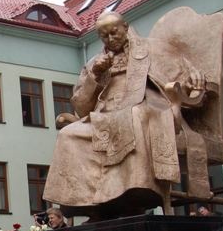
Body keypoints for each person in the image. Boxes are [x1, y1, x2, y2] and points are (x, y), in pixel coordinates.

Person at [44, 11, 209, 219]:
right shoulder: (95, 62)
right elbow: (81, 107)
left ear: (125, 26)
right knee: (68, 135)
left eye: (114, 32)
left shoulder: (151, 49)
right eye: (104, 36)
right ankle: (88, 204)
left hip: (145, 106)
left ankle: (136, 191)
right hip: (105, 116)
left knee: (135, 116)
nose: (111, 39)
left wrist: (193, 76)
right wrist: (94, 75)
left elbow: (183, 73)